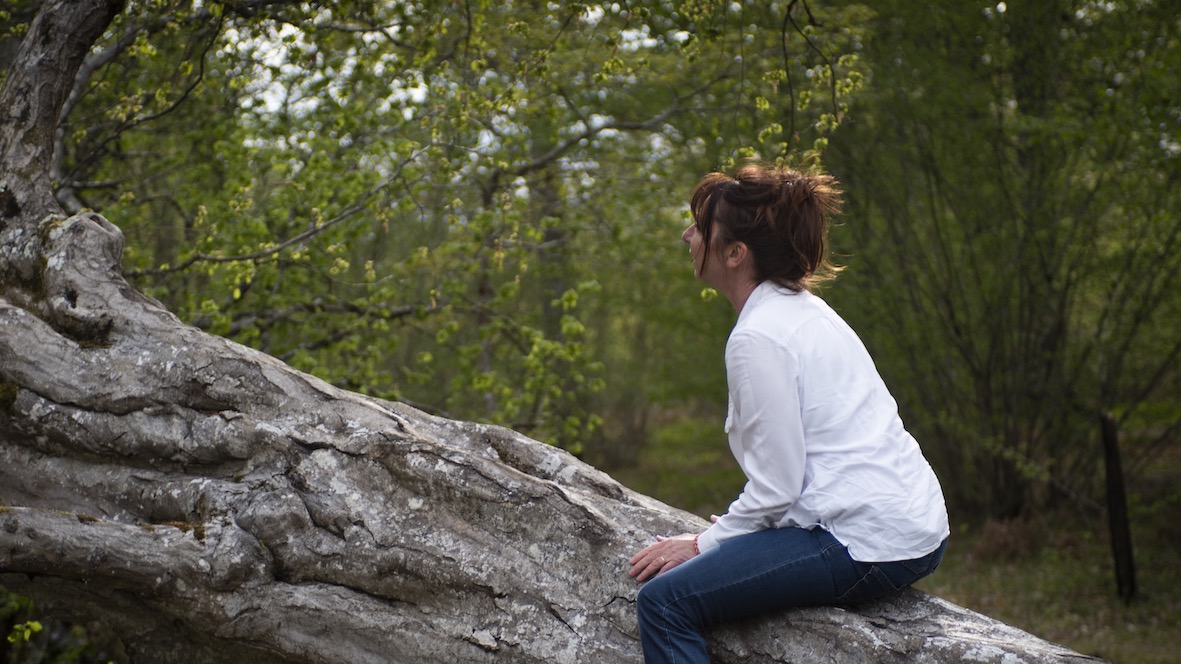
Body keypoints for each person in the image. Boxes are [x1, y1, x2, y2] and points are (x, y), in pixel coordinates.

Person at [628, 163, 950, 664]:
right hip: (919, 525)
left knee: (665, 602)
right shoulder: (804, 309)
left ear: (735, 254)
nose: (687, 234)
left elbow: (777, 487)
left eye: (700, 226)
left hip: (866, 540)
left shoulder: (758, 337)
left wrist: (706, 543)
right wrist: (747, 537)